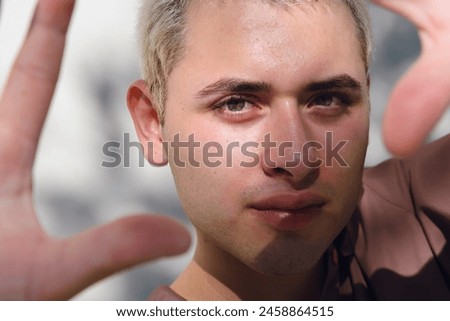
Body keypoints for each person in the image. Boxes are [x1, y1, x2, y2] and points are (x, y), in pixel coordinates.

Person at [0, 0, 448, 300]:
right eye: (237, 103)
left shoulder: (421, 215)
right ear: (153, 124)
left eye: (328, 98)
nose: (293, 156)